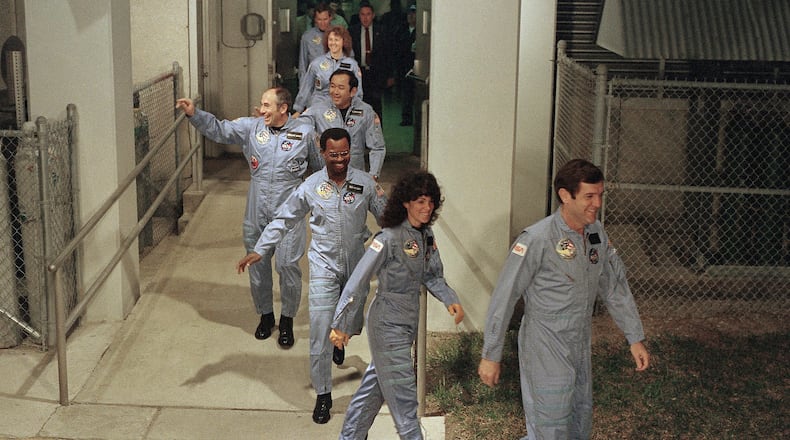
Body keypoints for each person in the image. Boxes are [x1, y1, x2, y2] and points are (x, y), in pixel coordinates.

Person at [477, 159, 650, 440]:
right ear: (565, 196)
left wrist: (634, 337)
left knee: (579, 420)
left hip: (578, 340)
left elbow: (613, 287)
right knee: (551, 424)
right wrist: (491, 354)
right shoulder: (537, 239)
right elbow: (504, 298)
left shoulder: (596, 234)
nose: (597, 203)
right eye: (589, 196)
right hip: (545, 342)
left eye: (600, 195)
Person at [237, 127, 386, 425]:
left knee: (351, 322)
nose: (340, 160)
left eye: (345, 154)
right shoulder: (310, 186)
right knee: (319, 332)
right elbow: (284, 219)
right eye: (334, 155)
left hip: (357, 269)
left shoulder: (365, 184)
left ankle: (341, 338)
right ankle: (323, 394)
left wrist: (416, 237)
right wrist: (261, 248)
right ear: (322, 153)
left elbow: (389, 218)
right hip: (323, 267)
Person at [176, 88, 321, 348]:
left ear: (283, 108)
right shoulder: (252, 128)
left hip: (289, 212)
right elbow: (220, 130)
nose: (261, 110)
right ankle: (266, 316)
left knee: (287, 265)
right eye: (261, 105)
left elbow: (320, 169)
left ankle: (287, 319)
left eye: (267, 105)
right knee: (257, 264)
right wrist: (194, 114)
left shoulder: (305, 133)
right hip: (256, 209)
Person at [330, 170, 465, 440]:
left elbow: (432, 274)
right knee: (404, 398)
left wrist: (450, 299)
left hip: (406, 323)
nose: (427, 208)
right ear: (406, 202)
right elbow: (358, 281)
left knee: (376, 386)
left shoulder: (425, 236)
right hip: (387, 323)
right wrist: (342, 323)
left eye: (430, 202)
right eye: (420, 201)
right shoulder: (388, 239)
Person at [299, 69, 386, 180]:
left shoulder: (366, 111)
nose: (335, 92)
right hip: (324, 178)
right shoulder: (318, 109)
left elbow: (377, 147)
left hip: (355, 177)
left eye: (341, 88)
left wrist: (373, 175)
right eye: (332, 86)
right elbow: (299, 128)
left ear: (353, 91)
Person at [294, 26, 363, 114]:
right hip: (319, 108)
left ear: (343, 42)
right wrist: (298, 109)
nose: (333, 43)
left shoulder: (352, 65)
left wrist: (355, 108)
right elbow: (306, 88)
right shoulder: (316, 63)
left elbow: (358, 91)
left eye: (336, 40)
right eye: (330, 39)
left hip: (342, 109)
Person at [350, 1, 395, 122]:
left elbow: (389, 54)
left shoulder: (382, 31)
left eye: (368, 14)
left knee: (376, 107)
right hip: (359, 74)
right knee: (359, 106)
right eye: (362, 14)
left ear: (373, 15)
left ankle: (377, 131)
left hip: (377, 74)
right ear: (359, 16)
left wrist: (390, 75)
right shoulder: (353, 31)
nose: (365, 18)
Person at [298, 2, 348, 83]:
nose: (322, 23)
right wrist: (303, 87)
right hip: (315, 82)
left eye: (325, 19)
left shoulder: (340, 34)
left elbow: (349, 59)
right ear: (315, 19)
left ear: (330, 18)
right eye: (319, 19)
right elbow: (303, 66)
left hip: (336, 82)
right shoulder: (307, 37)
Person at [396, 4, 417, 126]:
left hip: (416, 66)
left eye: (413, 13)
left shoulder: (420, 32)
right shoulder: (402, 30)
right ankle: (407, 118)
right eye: (409, 14)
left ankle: (418, 118)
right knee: (406, 93)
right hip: (404, 66)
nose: (411, 16)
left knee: (417, 94)